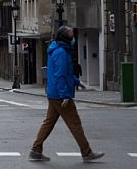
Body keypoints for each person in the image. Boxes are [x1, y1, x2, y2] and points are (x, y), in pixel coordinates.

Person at [29, 26, 104, 163]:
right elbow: (60, 75)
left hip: (54, 93)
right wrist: (65, 95)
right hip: (60, 95)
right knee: (75, 123)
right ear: (66, 37)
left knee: (49, 123)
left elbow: (65, 73)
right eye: (71, 34)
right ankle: (87, 153)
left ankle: (36, 150)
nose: (73, 36)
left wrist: (77, 82)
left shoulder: (56, 50)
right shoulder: (62, 52)